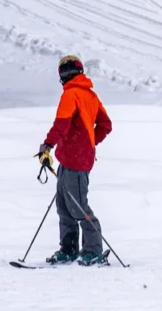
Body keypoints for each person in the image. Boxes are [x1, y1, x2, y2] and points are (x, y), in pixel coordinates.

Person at [38, 55, 113, 265]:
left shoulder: (72, 95)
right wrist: (89, 142)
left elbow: (61, 124)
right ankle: (69, 249)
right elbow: (105, 125)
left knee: (78, 207)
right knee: (64, 207)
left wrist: (48, 145)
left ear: (63, 74)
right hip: (70, 158)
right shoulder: (90, 95)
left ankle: (93, 250)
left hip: (76, 161)